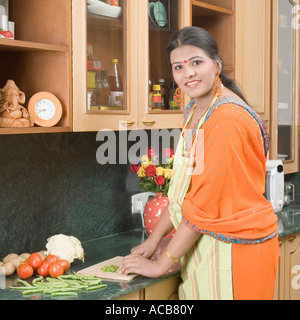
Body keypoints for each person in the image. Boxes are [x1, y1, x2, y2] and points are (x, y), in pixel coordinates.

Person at [120, 26, 279, 300]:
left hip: (236, 251)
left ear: (217, 65)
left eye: (196, 62)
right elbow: (183, 193)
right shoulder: (196, 109)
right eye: (178, 66)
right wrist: (153, 240)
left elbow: (204, 202)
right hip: (206, 247)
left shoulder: (227, 118)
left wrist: (162, 263)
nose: (188, 73)